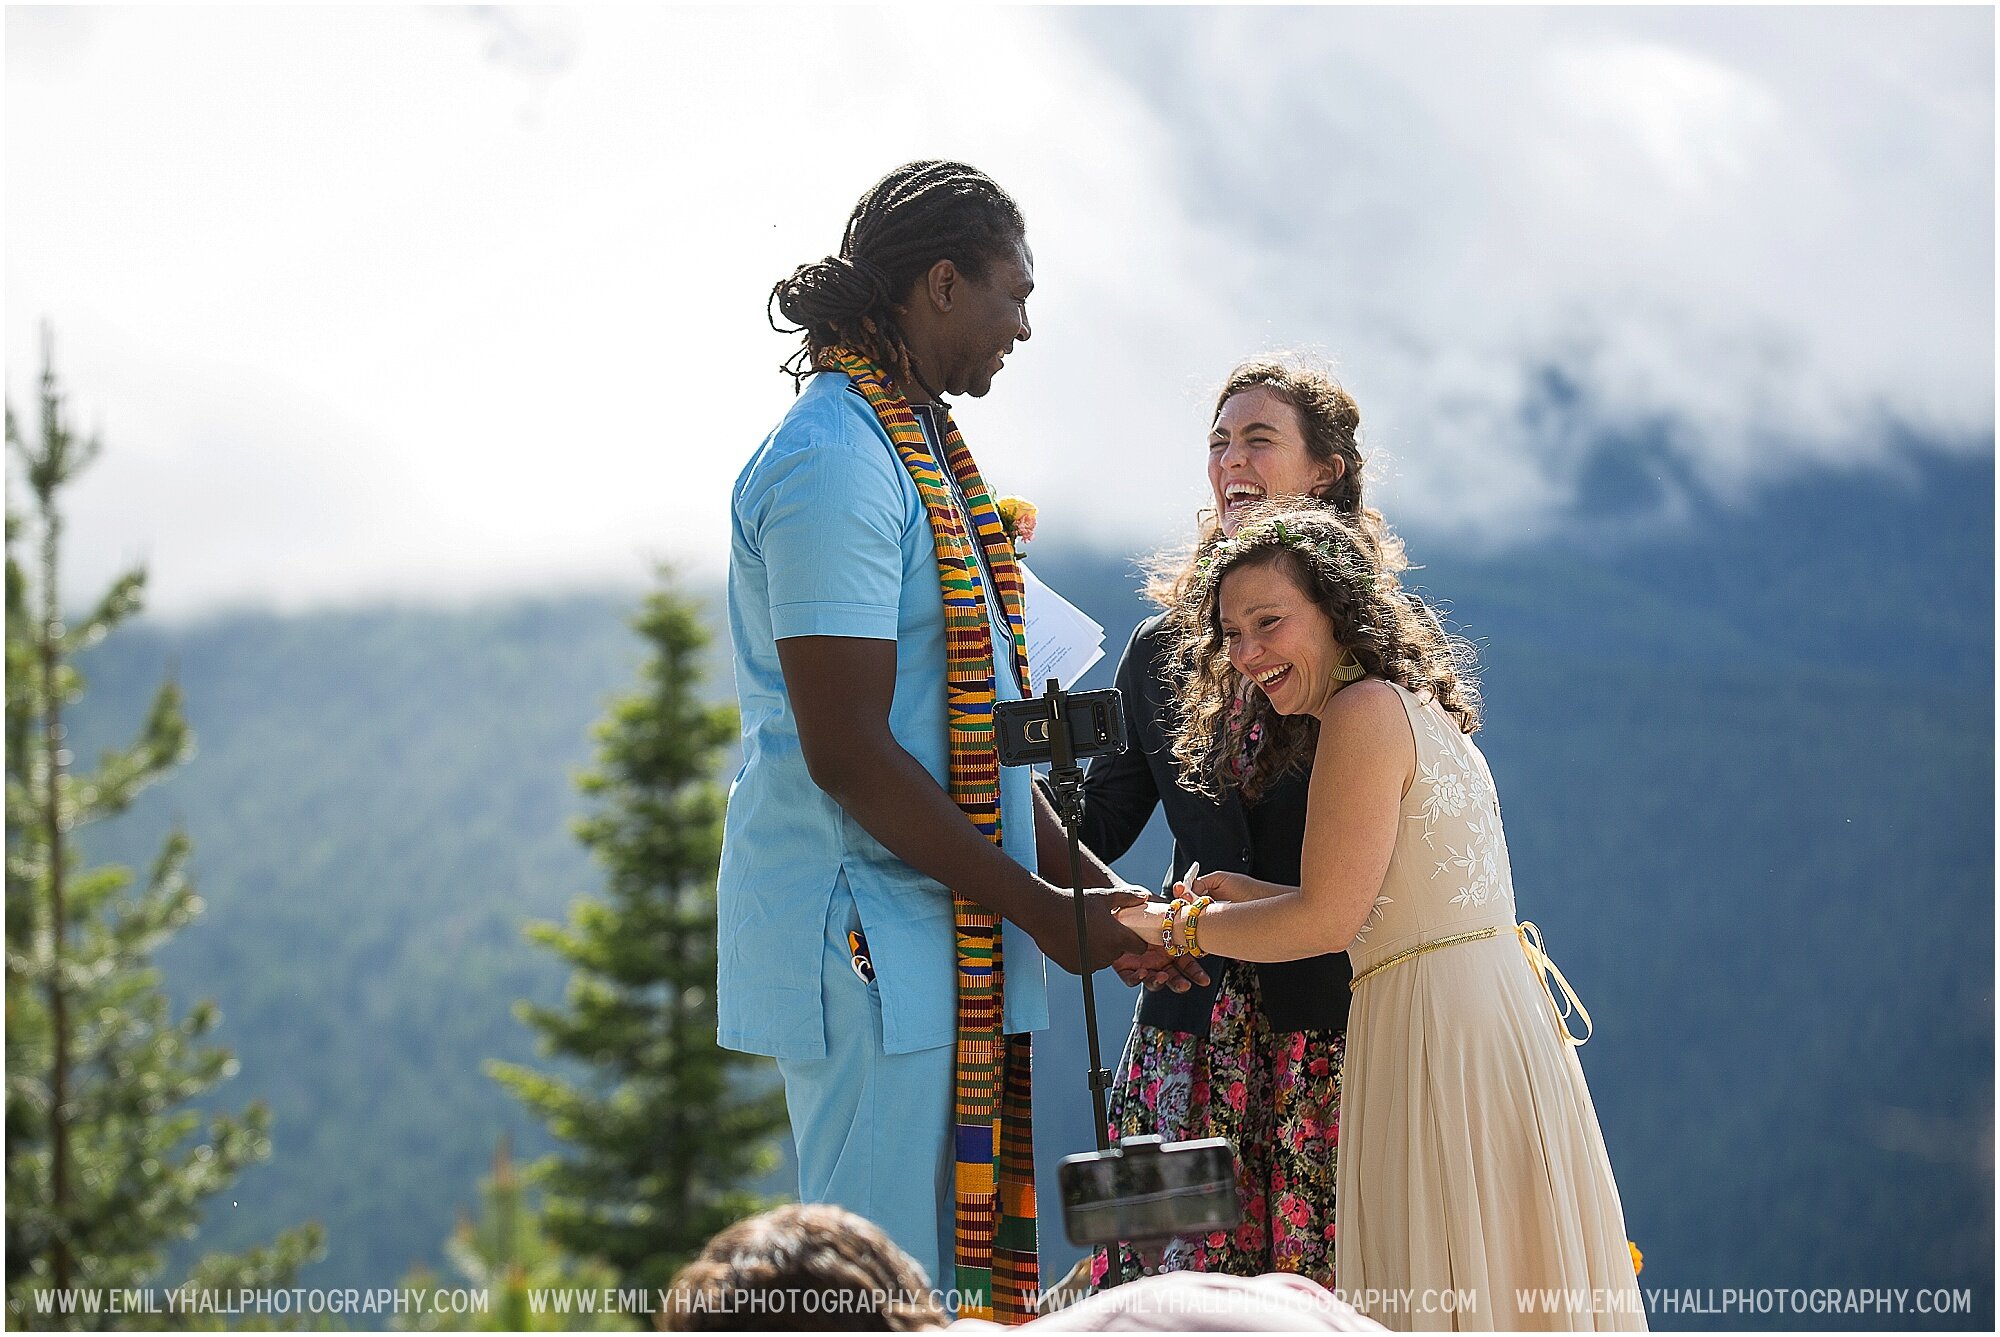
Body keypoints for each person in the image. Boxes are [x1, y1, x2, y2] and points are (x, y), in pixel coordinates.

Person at [718, 160, 1179, 1324]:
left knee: (939, 1284)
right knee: (875, 1286)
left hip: (935, 922)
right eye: (1011, 294)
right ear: (937, 284)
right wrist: (1038, 908)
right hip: (866, 937)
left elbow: (970, 743)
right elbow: (851, 750)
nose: (1024, 325)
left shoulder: (910, 448)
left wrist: (1098, 897)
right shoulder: (833, 462)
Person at [1116, 503, 1645, 1331]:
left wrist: (1169, 927)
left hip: (1433, 1035)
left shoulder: (1360, 713)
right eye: (1231, 633)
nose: (1248, 653)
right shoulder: (1411, 705)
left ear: (1335, 609)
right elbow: (1385, 901)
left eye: (1269, 622)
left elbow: (1325, 923)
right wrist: (1245, 899)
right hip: (1488, 1019)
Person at [1081, 360, 1396, 1286]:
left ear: (1327, 471)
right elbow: (1098, 820)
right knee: (1140, 1294)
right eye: (1218, 442)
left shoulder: (1374, 649)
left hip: (1329, 1043)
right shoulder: (1159, 649)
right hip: (1179, 1035)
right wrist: (1001, 756)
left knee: (1320, 1297)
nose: (1230, 460)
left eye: (1258, 438)